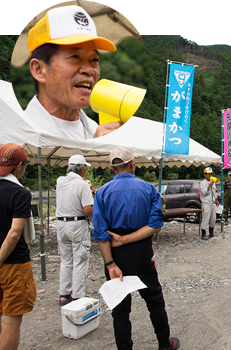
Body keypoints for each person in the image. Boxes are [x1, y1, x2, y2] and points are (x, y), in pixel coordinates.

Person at [93, 146, 179, 350]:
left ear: (112, 169)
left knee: (120, 309)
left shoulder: (102, 192)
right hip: (142, 252)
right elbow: (155, 224)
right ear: (133, 164)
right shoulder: (148, 189)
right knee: (154, 300)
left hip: (114, 254)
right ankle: (164, 344)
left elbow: (100, 233)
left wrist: (110, 263)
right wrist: (127, 239)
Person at [25, 5, 121, 140]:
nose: (89, 70)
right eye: (75, 57)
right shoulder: (15, 134)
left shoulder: (99, 131)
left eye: (94, 59)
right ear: (39, 70)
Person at [0, 143, 36, 350]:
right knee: (12, 318)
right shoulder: (20, 193)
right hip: (13, 262)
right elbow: (14, 233)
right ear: (19, 166)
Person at [55, 155, 94, 306]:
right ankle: (78, 295)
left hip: (61, 223)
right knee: (80, 259)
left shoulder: (60, 181)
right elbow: (87, 209)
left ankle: (64, 294)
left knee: (65, 260)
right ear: (82, 168)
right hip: (77, 224)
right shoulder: (83, 185)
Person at [200, 167, 220, 239]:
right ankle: (203, 233)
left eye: (211, 174)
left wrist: (216, 199)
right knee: (206, 218)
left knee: (213, 218)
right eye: (208, 174)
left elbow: (214, 191)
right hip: (206, 203)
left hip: (212, 202)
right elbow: (204, 192)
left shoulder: (212, 182)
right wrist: (209, 185)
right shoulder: (202, 183)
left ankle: (211, 232)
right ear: (205, 175)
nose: (210, 175)